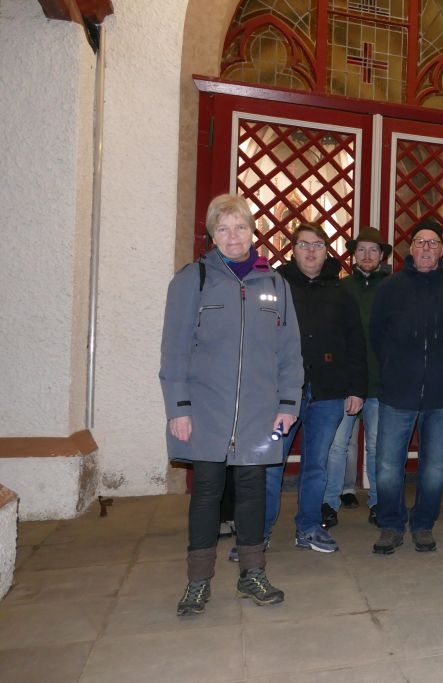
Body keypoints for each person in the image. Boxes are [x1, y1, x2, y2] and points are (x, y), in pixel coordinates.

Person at [160, 193, 302, 616]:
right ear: (212, 234)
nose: (233, 236)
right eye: (223, 228)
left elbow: (289, 352)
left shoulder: (274, 284)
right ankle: (198, 581)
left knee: (253, 491)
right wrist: (179, 408)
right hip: (206, 410)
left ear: (253, 231)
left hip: (260, 413)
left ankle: (252, 574)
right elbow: (174, 351)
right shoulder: (193, 280)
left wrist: (288, 403)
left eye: (240, 227)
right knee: (206, 492)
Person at [265, 223, 367, 554]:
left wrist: (356, 388)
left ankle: (308, 528)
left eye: (318, 245)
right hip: (281, 396)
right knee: (270, 465)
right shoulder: (276, 287)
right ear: (292, 250)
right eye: (304, 244)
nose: (311, 251)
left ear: (327, 251)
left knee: (317, 465)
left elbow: (355, 343)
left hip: (328, 393)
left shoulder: (341, 292)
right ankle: (257, 534)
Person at [371, 219, 443, 554]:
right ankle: (391, 524)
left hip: (441, 395)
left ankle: (423, 524)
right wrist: (395, 368)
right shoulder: (389, 288)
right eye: (420, 242)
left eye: (432, 242)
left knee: (435, 467)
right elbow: (377, 335)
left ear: (442, 250)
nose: (426, 248)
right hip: (398, 392)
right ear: (410, 248)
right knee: (388, 465)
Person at [323, 227, 392, 528]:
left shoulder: (390, 288)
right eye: (361, 249)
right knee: (337, 445)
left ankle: (378, 503)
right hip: (346, 381)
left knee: (377, 447)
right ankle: (329, 503)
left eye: (373, 250)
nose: (367, 255)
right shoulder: (341, 288)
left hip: (378, 380)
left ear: (381, 256)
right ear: (353, 254)